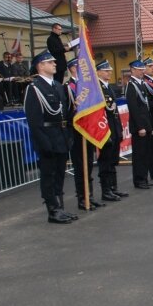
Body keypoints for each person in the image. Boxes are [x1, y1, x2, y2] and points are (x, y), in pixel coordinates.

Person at [23, 51, 77, 224]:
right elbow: (34, 121)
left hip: (60, 136)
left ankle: (59, 206)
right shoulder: (35, 88)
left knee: (60, 174)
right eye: (50, 62)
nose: (54, 64)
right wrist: (44, 143)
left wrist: (68, 135)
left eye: (54, 62)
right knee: (49, 176)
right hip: (47, 138)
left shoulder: (59, 87)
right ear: (40, 66)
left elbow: (67, 115)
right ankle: (52, 210)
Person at [65, 58, 104, 211]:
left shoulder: (87, 86)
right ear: (72, 69)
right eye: (79, 66)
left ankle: (90, 196)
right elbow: (68, 111)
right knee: (81, 167)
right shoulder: (69, 87)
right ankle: (83, 198)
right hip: (77, 131)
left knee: (88, 165)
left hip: (88, 129)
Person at [95, 60, 127, 201]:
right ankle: (106, 190)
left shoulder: (109, 87)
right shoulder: (97, 88)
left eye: (109, 70)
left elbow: (114, 111)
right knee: (105, 161)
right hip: (105, 129)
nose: (109, 72)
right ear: (98, 72)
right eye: (106, 70)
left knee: (113, 160)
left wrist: (119, 130)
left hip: (114, 128)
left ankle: (113, 188)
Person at [125, 59, 153, 189]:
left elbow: (146, 108)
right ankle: (139, 180)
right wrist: (140, 127)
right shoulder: (131, 86)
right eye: (139, 69)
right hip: (139, 127)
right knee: (139, 155)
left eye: (143, 69)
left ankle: (145, 178)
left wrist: (150, 126)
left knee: (146, 153)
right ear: (132, 70)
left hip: (146, 125)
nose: (142, 71)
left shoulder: (142, 84)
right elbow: (134, 109)